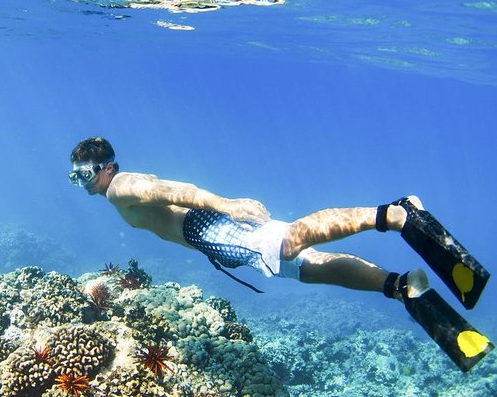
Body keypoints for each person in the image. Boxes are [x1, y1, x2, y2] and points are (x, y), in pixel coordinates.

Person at [68, 136, 492, 372]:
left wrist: (226, 205)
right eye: (75, 177)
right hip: (212, 238)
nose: (82, 182)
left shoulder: (121, 187)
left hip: (211, 228)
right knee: (308, 268)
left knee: (290, 241)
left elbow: (173, 191)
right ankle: (399, 286)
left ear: (107, 167)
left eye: (85, 174)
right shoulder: (117, 190)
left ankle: (395, 214)